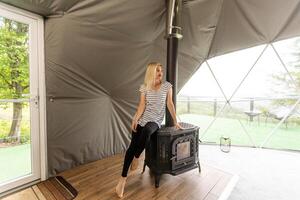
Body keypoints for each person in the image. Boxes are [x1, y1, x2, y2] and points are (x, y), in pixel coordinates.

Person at [115, 62, 183, 198]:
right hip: (143, 119)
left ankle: (137, 157)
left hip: (155, 121)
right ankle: (122, 180)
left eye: (161, 71)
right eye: (158, 70)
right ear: (151, 72)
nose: (160, 73)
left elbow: (170, 104)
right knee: (131, 147)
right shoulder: (144, 87)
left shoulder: (167, 86)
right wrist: (135, 119)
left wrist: (175, 121)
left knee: (146, 131)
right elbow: (142, 105)